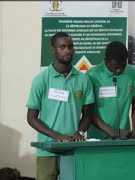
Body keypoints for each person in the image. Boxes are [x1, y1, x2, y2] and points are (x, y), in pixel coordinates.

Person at [26, 32, 95, 180]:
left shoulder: (83, 79)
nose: (67, 50)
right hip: (47, 150)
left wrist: (80, 132)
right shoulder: (41, 80)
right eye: (62, 47)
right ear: (53, 50)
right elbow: (31, 118)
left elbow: (88, 114)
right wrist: (57, 136)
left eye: (70, 47)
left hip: (73, 150)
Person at [86, 41, 135, 139]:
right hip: (98, 137)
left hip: (124, 136)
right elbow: (88, 111)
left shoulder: (132, 72)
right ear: (106, 60)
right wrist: (111, 131)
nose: (119, 71)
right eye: (115, 67)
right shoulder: (92, 75)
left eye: (123, 66)